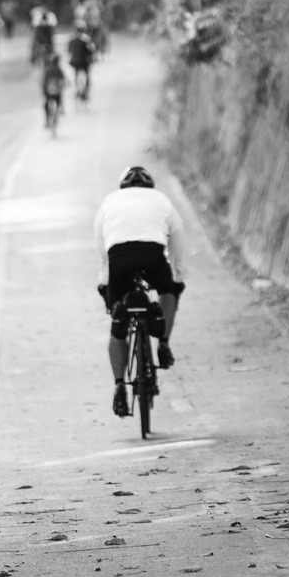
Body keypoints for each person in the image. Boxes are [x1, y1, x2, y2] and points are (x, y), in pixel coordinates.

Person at [94, 166, 186, 417]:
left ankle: (119, 387)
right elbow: (178, 243)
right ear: (150, 187)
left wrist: (105, 287)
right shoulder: (163, 200)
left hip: (119, 258)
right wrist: (176, 281)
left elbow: (103, 252)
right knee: (169, 292)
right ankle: (163, 343)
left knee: (119, 322)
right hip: (153, 255)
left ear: (123, 186)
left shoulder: (109, 202)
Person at [67, 27, 96, 103]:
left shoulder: (72, 39)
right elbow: (91, 50)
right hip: (84, 62)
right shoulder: (86, 39)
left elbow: (69, 50)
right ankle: (86, 90)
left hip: (75, 62)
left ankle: (77, 88)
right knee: (87, 75)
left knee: (76, 74)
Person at [41, 49, 67, 129]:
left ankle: (47, 119)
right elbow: (63, 80)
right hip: (56, 93)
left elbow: (43, 82)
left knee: (46, 104)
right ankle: (61, 109)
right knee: (59, 99)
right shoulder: (58, 70)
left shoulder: (47, 70)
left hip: (48, 92)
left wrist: (44, 91)